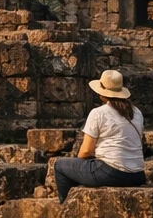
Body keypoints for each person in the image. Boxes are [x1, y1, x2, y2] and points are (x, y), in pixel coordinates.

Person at [53, 69, 147, 207]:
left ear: (101, 93)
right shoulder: (136, 112)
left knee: (60, 166)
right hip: (137, 175)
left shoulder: (99, 113)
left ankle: (68, 214)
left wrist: (81, 164)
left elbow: (86, 151)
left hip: (111, 173)